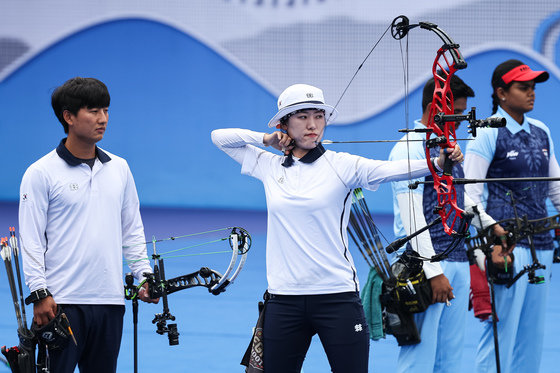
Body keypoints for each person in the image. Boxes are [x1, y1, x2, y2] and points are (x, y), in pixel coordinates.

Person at [211, 83, 463, 373]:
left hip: (337, 299)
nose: (312, 125)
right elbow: (219, 138)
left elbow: (391, 170)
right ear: (284, 124)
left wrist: (438, 162)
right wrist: (266, 139)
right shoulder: (268, 165)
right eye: (302, 116)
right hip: (284, 300)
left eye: (318, 116)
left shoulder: (343, 165)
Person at [19, 77, 156, 373]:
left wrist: (144, 276)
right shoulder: (40, 172)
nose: (103, 119)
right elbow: (30, 239)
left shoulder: (120, 168)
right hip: (61, 303)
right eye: (93, 111)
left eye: (106, 110)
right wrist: (40, 293)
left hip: (110, 301)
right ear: (68, 117)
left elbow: (131, 229)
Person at [388, 75, 498, 372]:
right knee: (419, 359)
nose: (462, 120)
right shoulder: (409, 147)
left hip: (458, 260)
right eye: (457, 113)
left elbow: (458, 203)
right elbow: (412, 218)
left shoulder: (449, 147)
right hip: (427, 266)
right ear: (437, 108)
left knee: (449, 358)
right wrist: (434, 272)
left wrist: (491, 227)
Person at [465, 59, 560, 372]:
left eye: (533, 87)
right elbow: (470, 199)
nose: (531, 93)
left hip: (543, 245)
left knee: (532, 337)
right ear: (502, 93)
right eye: (523, 87)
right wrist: (494, 234)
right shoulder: (487, 133)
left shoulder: (542, 131)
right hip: (507, 248)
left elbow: (555, 190)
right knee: (500, 335)